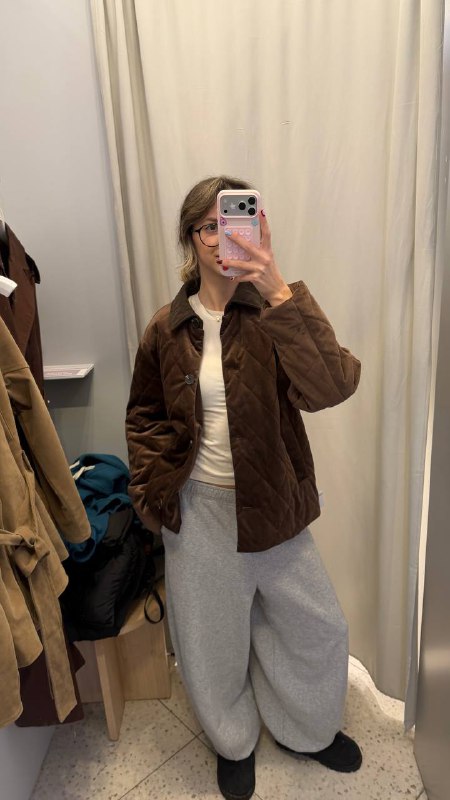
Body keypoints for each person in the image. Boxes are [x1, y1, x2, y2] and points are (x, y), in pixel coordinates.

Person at [126, 175, 362, 800]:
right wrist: (151, 491)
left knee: (317, 627)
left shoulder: (272, 313)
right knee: (210, 642)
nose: (220, 236)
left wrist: (278, 286)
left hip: (273, 502)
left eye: (234, 221)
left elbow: (333, 386)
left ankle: (307, 730)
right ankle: (233, 741)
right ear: (191, 239)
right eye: (209, 226)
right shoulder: (166, 327)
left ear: (256, 227)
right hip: (198, 509)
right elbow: (145, 415)